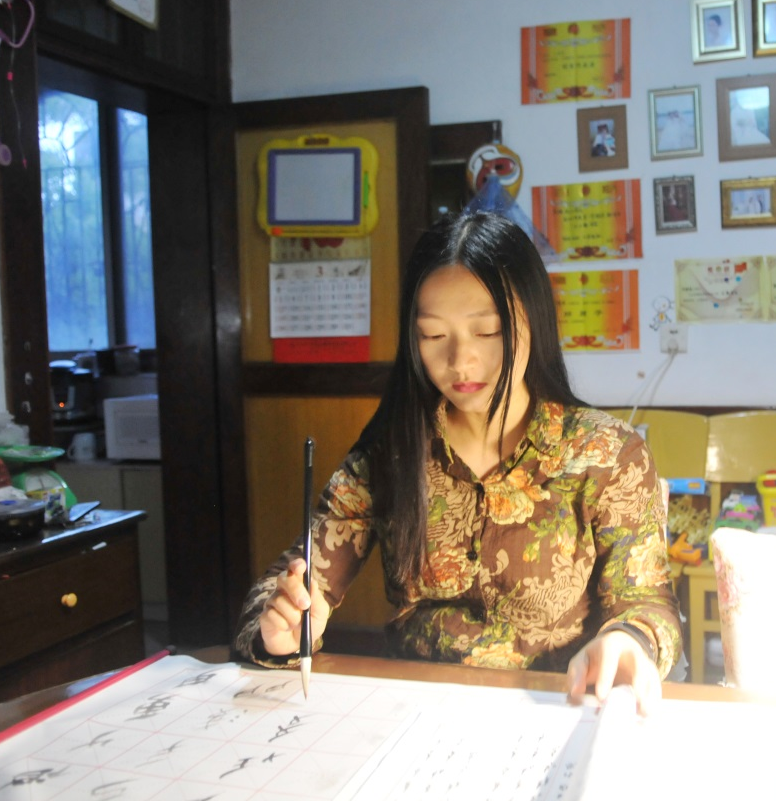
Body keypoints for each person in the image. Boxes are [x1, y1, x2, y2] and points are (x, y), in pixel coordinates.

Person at [234, 211, 683, 715]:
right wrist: (283, 626)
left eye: (487, 331)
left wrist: (629, 640)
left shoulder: (607, 454)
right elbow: (288, 582)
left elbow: (647, 602)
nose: (460, 360)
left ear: (533, 320)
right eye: (432, 336)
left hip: (556, 711)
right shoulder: (391, 453)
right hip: (416, 713)